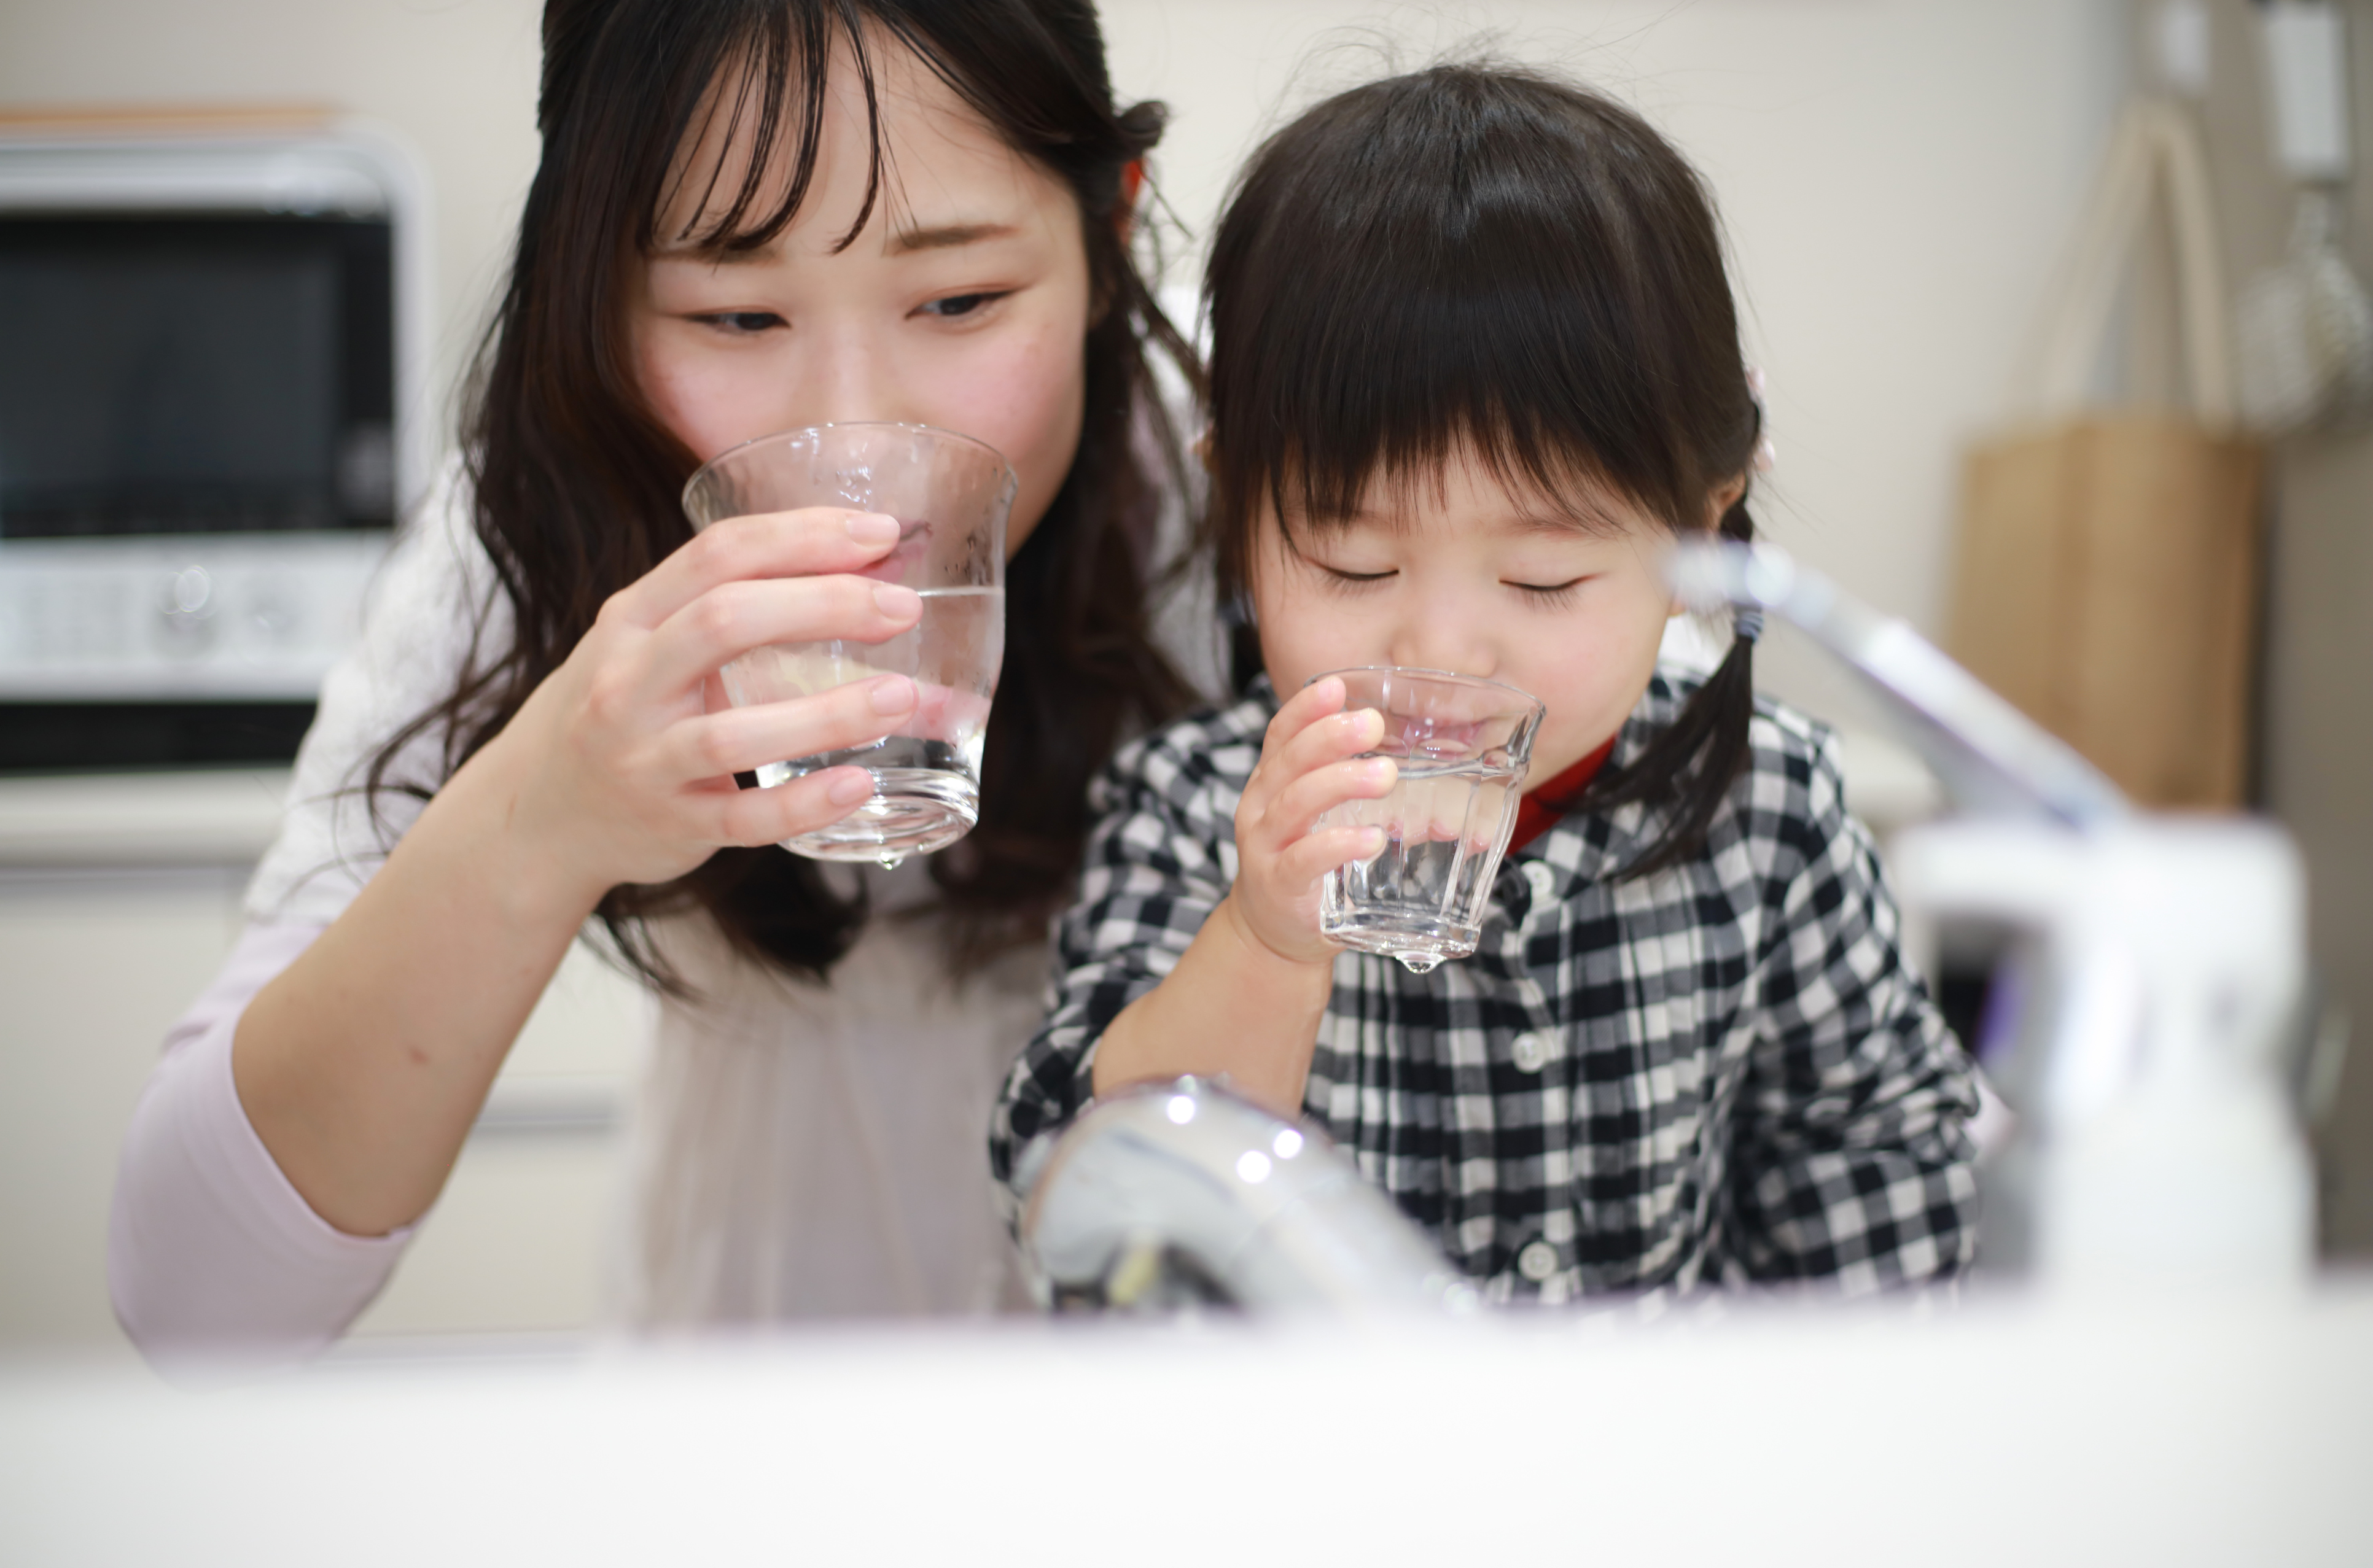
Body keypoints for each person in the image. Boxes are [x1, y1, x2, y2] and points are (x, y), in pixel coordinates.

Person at [109, 0, 1214, 1360]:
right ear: (603, 302)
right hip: (717, 1420)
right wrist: (543, 813)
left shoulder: (1256, 519)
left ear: (1110, 238)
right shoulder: (533, 525)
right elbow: (196, 1302)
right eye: (739, 313)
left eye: (961, 300)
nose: (853, 435)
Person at [992, 64, 1980, 1303]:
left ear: (1695, 531)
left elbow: (1877, 1160)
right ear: (1240, 509)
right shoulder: (1189, 807)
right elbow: (1073, 1199)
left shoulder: (1771, 812)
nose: (1443, 650)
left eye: (1543, 578)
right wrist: (1262, 941)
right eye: (1356, 562)